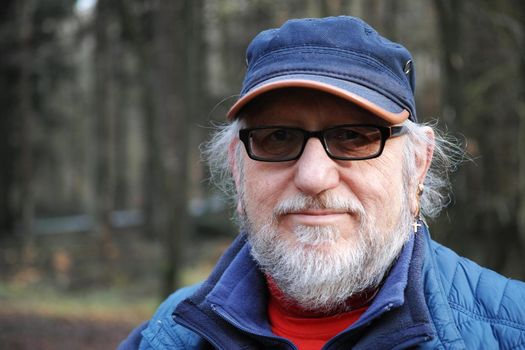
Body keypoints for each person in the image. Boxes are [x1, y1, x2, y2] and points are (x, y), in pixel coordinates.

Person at [119, 16, 525, 350]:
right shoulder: (167, 336)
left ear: (417, 166)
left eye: (354, 137)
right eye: (277, 138)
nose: (313, 177)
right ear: (237, 170)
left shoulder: (511, 331)